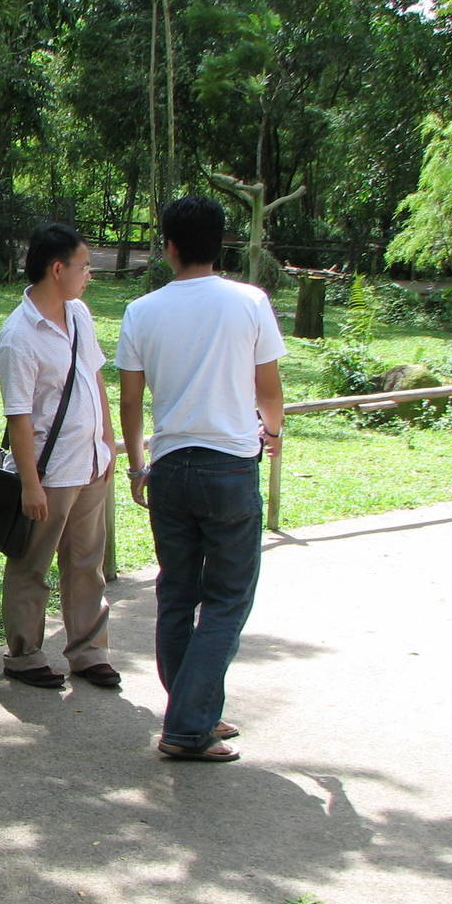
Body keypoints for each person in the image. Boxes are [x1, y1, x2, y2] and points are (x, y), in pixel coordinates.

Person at [117, 195, 286, 762]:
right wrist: (274, 432)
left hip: (170, 467)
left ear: (167, 246)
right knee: (226, 600)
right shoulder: (250, 302)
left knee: (176, 592)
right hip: (230, 468)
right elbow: (268, 388)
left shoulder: (142, 312)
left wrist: (139, 464)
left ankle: (193, 708)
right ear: (221, 244)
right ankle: (188, 726)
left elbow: (132, 403)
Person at [0, 222, 119, 690]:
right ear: (57, 268)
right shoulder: (19, 335)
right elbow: (19, 417)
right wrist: (30, 483)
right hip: (51, 471)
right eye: (85, 266)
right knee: (33, 565)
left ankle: (88, 652)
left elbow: (95, 377)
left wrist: (107, 442)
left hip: (90, 462)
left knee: (88, 562)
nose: (90, 275)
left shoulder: (80, 314)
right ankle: (24, 655)